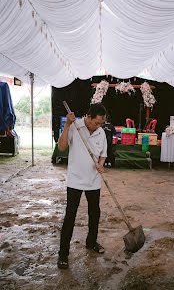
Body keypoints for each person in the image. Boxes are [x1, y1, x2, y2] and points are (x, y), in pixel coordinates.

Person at [57, 103, 107, 269]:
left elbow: (103, 155)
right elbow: (62, 147)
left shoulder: (101, 133)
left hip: (93, 180)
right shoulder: (75, 126)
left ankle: (91, 242)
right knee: (70, 216)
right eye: (96, 122)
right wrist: (67, 125)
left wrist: (101, 165)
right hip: (75, 179)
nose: (98, 126)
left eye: (101, 123)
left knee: (95, 213)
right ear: (88, 116)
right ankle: (63, 254)